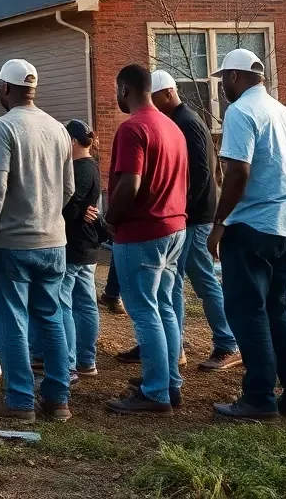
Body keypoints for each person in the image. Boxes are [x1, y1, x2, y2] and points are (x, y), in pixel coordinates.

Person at [207, 48, 286, 419]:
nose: (221, 89)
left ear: (233, 77)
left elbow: (237, 172)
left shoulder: (241, 111)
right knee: (276, 309)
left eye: (222, 81)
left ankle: (258, 397)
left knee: (247, 311)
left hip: (252, 225)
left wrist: (219, 224)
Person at [0, 60, 74, 424]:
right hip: (54, 241)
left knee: (13, 319)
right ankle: (57, 399)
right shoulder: (58, 129)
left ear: (5, 88)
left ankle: (19, 400)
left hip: (13, 243)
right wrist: (47, 215)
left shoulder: (3, 127)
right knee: (51, 318)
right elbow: (69, 189)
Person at [105, 65, 188, 415]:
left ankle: (155, 393)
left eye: (116, 91)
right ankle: (169, 383)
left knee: (144, 312)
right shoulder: (172, 126)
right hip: (175, 228)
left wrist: (111, 219)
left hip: (142, 231)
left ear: (124, 89)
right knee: (165, 307)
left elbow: (130, 183)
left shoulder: (133, 127)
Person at [150, 70, 240, 371]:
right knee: (174, 280)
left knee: (199, 280)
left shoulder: (186, 122)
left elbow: (201, 173)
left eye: (153, 98)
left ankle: (227, 344)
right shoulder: (178, 120)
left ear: (167, 94)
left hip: (194, 216)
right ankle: (173, 343)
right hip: (189, 215)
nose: (151, 104)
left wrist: (182, 208)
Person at [60, 120, 102, 378]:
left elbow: (71, 206)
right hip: (87, 243)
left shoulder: (80, 169)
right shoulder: (92, 166)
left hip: (75, 243)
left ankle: (70, 361)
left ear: (73, 142)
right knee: (85, 302)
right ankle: (86, 360)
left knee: (65, 302)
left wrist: (69, 212)